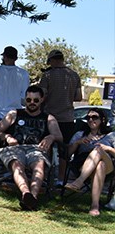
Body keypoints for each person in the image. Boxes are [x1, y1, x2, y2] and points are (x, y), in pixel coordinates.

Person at [0, 85, 63, 210]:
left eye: (35, 100)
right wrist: (6, 136)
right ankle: (26, 193)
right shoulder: (14, 114)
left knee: (39, 165)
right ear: (25, 99)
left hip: (36, 149)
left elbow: (59, 136)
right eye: (29, 100)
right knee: (17, 165)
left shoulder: (48, 118)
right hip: (15, 148)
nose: (32, 103)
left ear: (42, 100)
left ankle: (33, 198)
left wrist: (51, 137)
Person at [38, 49, 82, 180]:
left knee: (46, 147)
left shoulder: (47, 75)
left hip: (50, 117)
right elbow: (79, 97)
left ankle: (45, 176)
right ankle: (61, 179)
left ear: (52, 60)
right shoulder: (74, 75)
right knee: (64, 150)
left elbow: (42, 95)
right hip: (68, 118)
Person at [63, 109, 115, 216]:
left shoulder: (111, 135)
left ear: (103, 120)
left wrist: (108, 149)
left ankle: (78, 182)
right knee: (100, 165)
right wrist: (78, 143)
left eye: (94, 117)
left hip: (109, 167)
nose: (91, 120)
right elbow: (67, 154)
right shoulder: (80, 134)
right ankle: (95, 206)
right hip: (84, 165)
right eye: (88, 118)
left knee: (98, 150)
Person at [0, 46, 29, 156]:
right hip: (14, 115)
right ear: (16, 58)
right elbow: (24, 95)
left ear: (4, 57)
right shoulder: (24, 74)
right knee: (12, 150)